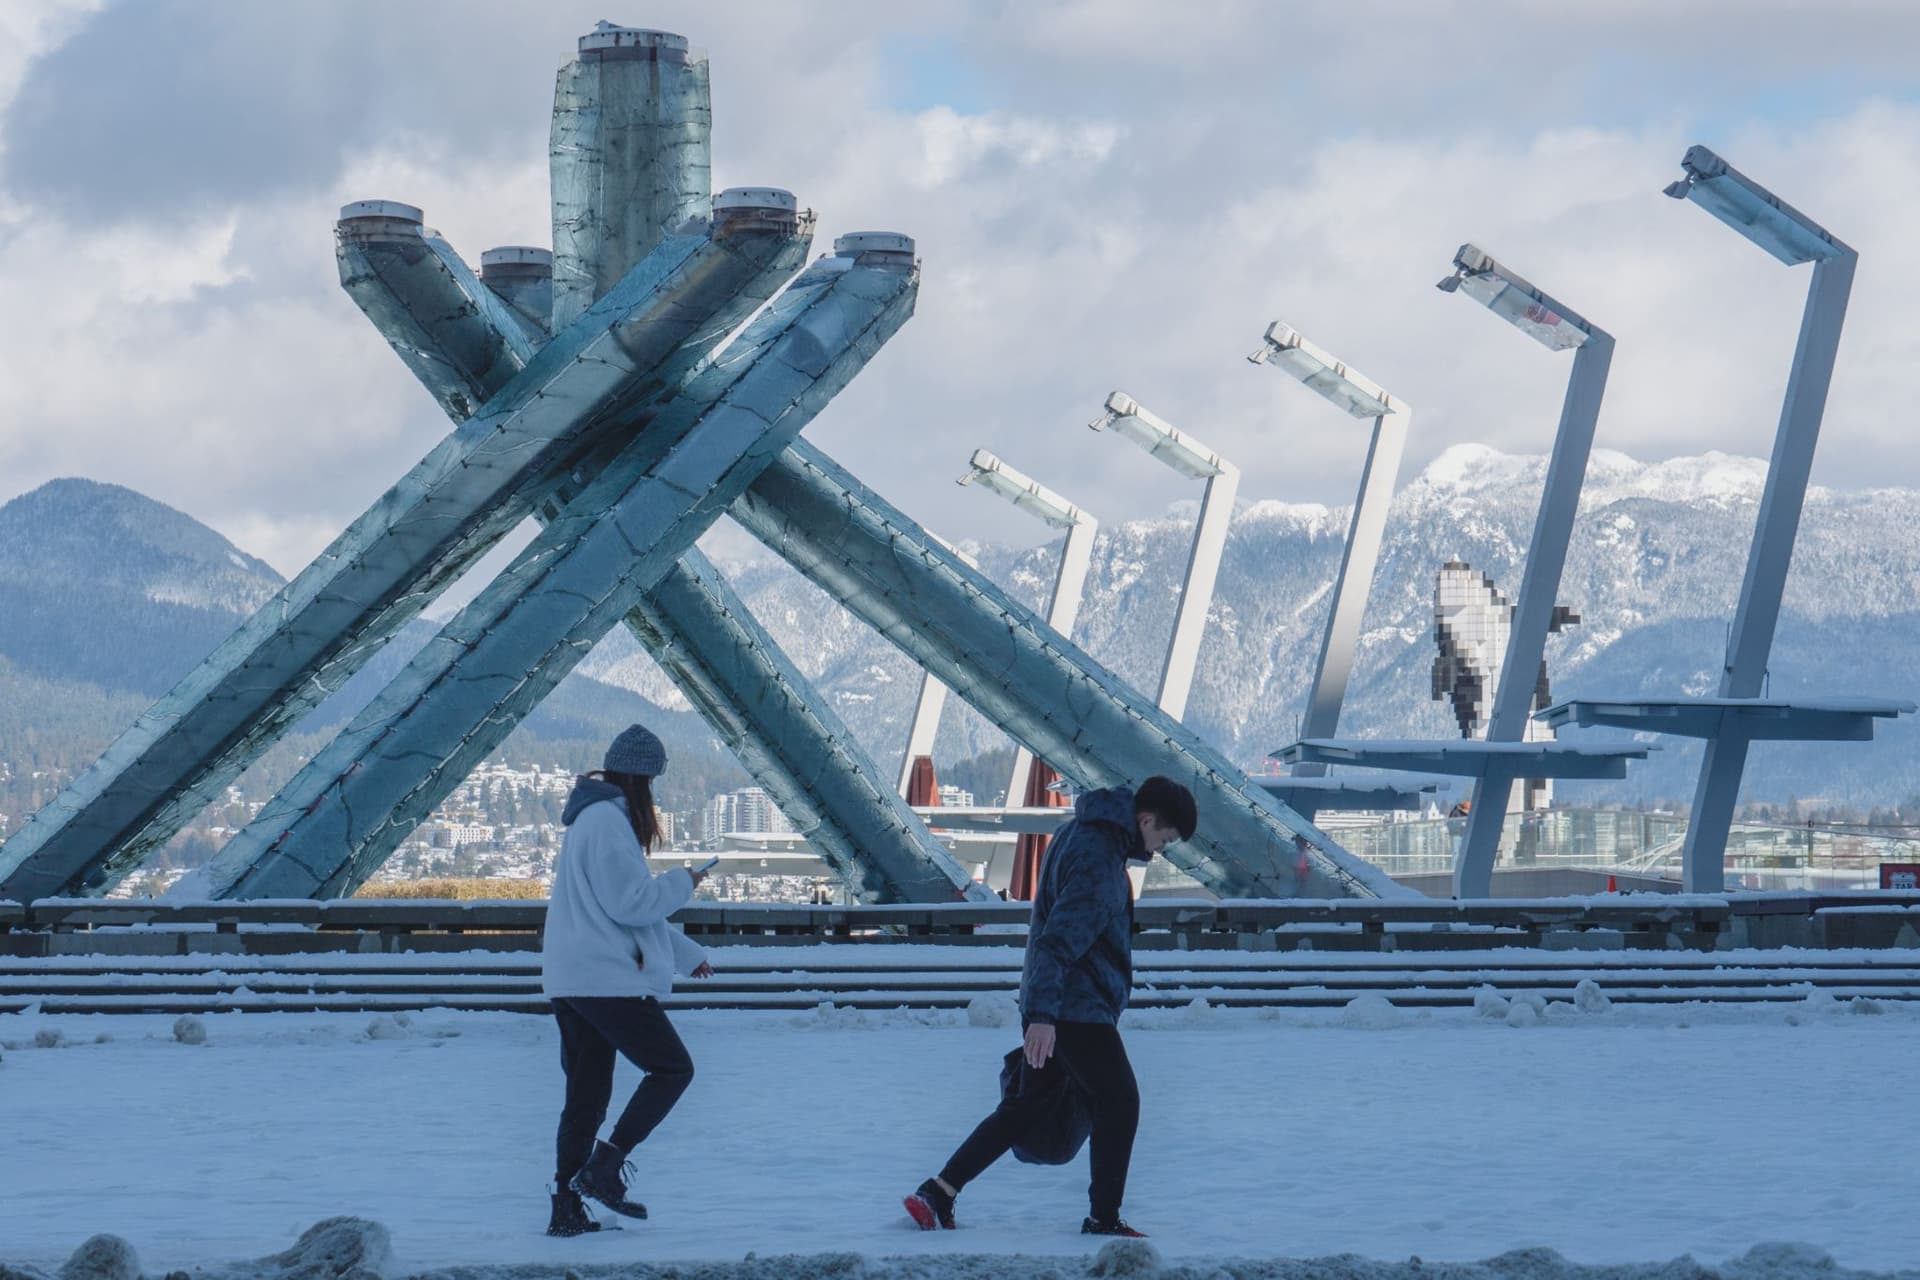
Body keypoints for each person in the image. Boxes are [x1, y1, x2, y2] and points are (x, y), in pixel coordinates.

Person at [903, 775, 1198, 1239]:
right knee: (1120, 1102)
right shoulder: (1100, 858)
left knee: (1024, 1108)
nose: (1161, 849)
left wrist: (1040, 1010)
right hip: (1076, 1007)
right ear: (1145, 820)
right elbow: (1058, 940)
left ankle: (939, 1191)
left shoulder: (1078, 833)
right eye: (1164, 838)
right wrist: (1042, 1017)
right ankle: (1103, 1218)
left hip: (1059, 1001)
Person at [541, 724, 714, 1238]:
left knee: (586, 1097)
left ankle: (566, 1206)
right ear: (641, 780)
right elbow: (632, 904)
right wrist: (685, 880)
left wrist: (684, 954)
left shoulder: (588, 822)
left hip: (575, 978)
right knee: (672, 1068)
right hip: (606, 979)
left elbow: (618, 910)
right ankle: (605, 1166)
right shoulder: (607, 823)